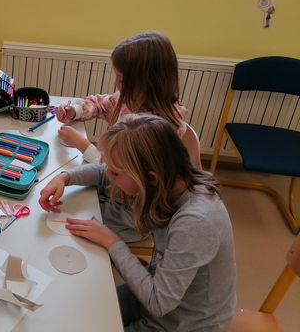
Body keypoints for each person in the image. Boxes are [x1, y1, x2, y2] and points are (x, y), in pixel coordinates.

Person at [39, 115, 236, 331]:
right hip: (158, 296)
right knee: (74, 310)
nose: (109, 175)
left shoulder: (195, 223)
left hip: (182, 323)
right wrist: (64, 177)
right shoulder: (169, 180)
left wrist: (112, 242)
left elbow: (158, 303)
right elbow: (104, 172)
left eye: (116, 173)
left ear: (151, 178)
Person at [55, 31, 201, 170]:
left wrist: (82, 144)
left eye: (121, 79)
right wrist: (75, 111)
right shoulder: (128, 99)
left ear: (148, 82)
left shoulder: (157, 129)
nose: (115, 84)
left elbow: (118, 172)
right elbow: (100, 104)